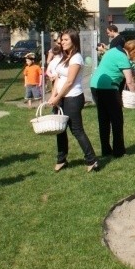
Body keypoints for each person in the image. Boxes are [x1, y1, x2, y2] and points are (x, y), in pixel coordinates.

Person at [47, 29, 99, 173]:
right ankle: (61, 159)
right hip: (61, 97)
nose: (62, 42)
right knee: (60, 129)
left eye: (65, 40)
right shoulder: (64, 57)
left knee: (76, 130)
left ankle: (92, 160)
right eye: (61, 40)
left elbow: (69, 82)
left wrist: (58, 98)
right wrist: (53, 95)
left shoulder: (76, 58)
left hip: (73, 98)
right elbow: (58, 78)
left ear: (74, 41)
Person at [89, 39, 135, 158]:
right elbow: (129, 82)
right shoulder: (123, 58)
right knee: (117, 120)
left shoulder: (112, 50)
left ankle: (106, 150)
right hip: (109, 88)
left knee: (103, 119)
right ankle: (119, 151)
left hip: (95, 85)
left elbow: (116, 69)